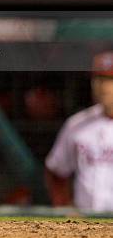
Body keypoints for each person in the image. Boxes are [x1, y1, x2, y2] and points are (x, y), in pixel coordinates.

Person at [45, 52, 113, 212]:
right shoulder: (76, 124)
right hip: (86, 224)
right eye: (98, 79)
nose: (103, 87)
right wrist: (64, 208)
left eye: (110, 80)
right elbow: (56, 170)